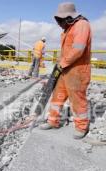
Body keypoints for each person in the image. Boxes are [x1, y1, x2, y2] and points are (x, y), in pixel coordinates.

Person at [39, 2, 92, 139]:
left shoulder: (81, 25)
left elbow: (78, 49)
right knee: (57, 97)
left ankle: (81, 127)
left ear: (69, 17)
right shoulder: (68, 29)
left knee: (77, 100)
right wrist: (59, 64)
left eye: (60, 20)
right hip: (64, 69)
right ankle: (53, 121)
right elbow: (66, 50)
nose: (58, 23)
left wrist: (63, 63)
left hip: (77, 71)